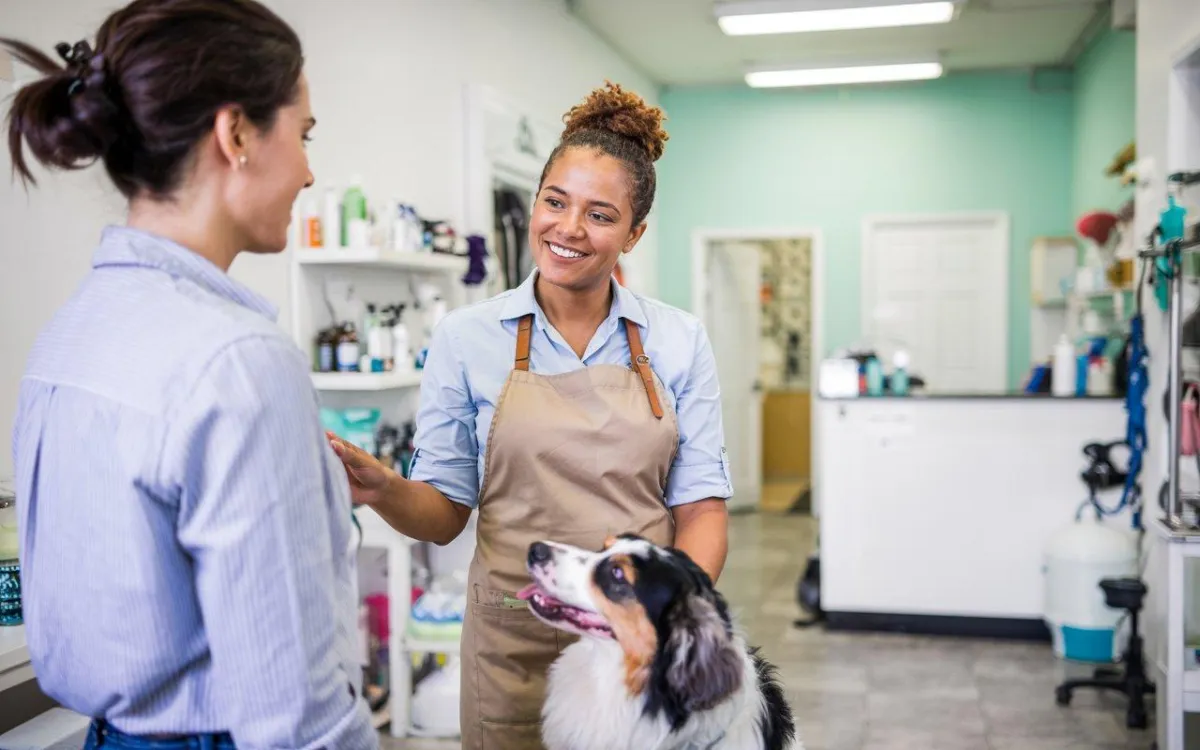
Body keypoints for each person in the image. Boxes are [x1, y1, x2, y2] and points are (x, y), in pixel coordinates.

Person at [5, 1, 377, 748]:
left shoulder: (70, 331)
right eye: (303, 135)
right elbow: (296, 721)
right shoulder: (238, 360)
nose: (309, 171)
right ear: (235, 133)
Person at [328, 81, 733, 750]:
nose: (569, 228)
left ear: (634, 233)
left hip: (631, 656)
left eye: (600, 215)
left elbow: (701, 510)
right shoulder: (467, 337)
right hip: (512, 639)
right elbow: (444, 511)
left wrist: (667, 625)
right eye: (555, 201)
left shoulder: (677, 340)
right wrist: (386, 491)